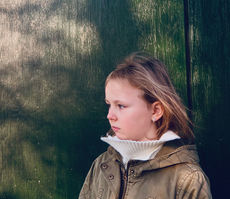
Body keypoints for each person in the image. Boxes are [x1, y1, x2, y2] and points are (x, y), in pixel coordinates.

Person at [79, 53, 212, 199]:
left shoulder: (186, 179)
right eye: (109, 104)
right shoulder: (101, 165)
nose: (110, 115)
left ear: (156, 111)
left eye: (121, 106)